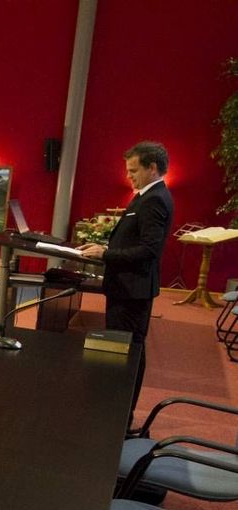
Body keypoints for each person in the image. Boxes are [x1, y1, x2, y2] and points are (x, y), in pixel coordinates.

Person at [79, 141, 174, 417]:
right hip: (126, 287)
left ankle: (121, 413)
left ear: (152, 168)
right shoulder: (144, 195)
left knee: (130, 349)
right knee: (122, 347)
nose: (129, 176)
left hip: (133, 289)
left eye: (133, 170)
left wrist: (106, 254)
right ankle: (115, 405)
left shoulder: (155, 199)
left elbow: (148, 250)